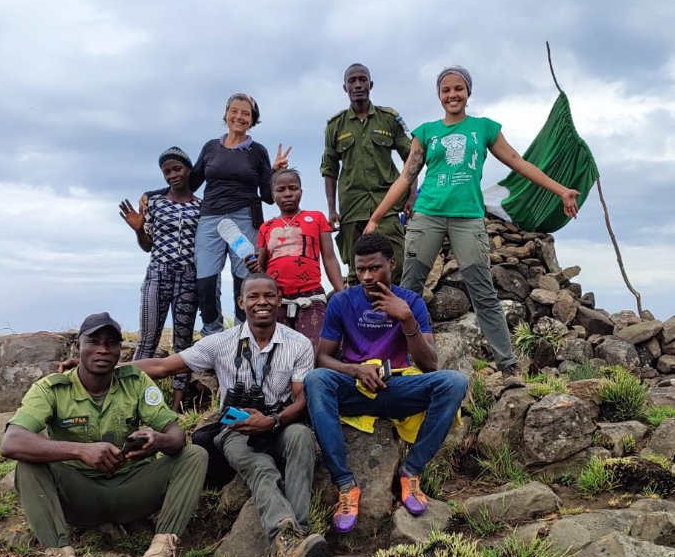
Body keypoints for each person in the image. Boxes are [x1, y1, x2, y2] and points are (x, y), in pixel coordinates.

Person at [364, 65, 580, 375]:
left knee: (483, 292)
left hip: (468, 217)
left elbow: (519, 162)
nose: (452, 95)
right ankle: (393, 359)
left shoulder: (484, 128)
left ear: (468, 92)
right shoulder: (426, 132)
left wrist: (561, 192)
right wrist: (376, 217)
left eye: (458, 89)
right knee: (409, 288)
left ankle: (507, 367)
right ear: (439, 95)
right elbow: (405, 177)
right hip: (428, 215)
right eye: (446, 90)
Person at [1, 312, 208, 557]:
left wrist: (158, 439)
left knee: (195, 455)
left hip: (132, 489)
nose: (102, 350)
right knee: (28, 466)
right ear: (77, 347)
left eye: (111, 344)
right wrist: (81, 451)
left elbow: (177, 436)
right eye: (93, 342)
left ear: (119, 351)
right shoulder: (51, 388)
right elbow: (11, 442)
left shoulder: (135, 381)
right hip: (80, 496)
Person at [133, 273, 327, 557]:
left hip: (280, 423)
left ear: (278, 300)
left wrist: (273, 420)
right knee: (259, 466)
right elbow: (161, 367)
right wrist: (98, 369)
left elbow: (301, 398)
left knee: (302, 438)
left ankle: (288, 548)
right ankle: (289, 543)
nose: (261, 302)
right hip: (234, 428)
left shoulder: (298, 343)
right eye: (253, 296)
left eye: (268, 296)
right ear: (241, 302)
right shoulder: (220, 343)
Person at [304, 234, 468, 533]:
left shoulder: (411, 302)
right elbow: (323, 358)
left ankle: (411, 472)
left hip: (397, 386)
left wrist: (406, 320)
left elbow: (429, 364)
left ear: (391, 264)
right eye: (361, 269)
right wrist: (355, 370)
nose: (367, 276)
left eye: (375, 268)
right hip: (356, 388)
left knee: (453, 382)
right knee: (316, 380)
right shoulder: (341, 301)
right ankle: (345, 485)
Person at [187, 93, 290, 330]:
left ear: (253, 120)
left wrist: (274, 172)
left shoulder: (257, 151)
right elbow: (190, 184)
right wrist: (154, 195)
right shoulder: (211, 147)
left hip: (244, 217)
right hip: (211, 218)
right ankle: (212, 334)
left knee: (246, 278)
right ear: (226, 114)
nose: (239, 117)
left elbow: (267, 196)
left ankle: (245, 333)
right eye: (234, 110)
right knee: (206, 280)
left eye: (245, 113)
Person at [119, 147, 201, 412]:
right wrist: (138, 229)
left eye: (177, 169)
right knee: (147, 340)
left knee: (183, 343)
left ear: (188, 169)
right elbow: (147, 245)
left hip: (188, 276)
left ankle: (177, 407)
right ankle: (134, 402)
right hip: (158, 272)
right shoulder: (154, 203)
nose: (172, 175)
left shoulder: (200, 207)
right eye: (167, 171)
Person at [321, 63, 415, 284]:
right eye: (352, 81)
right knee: (357, 271)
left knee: (396, 262)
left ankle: (395, 313)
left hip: (387, 204)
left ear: (370, 84)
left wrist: (411, 196)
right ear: (345, 88)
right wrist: (332, 209)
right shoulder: (335, 126)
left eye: (362, 79)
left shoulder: (388, 118)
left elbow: (412, 158)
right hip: (352, 208)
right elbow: (329, 168)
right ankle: (360, 317)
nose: (358, 85)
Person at [247, 168, 344, 352]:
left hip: (311, 297)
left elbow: (329, 258)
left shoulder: (316, 218)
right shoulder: (266, 227)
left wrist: (341, 293)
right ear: (273, 195)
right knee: (278, 352)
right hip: (277, 301)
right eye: (281, 190)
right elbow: (261, 269)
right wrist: (253, 267)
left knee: (314, 350)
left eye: (293, 188)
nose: (288, 194)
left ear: (301, 191)